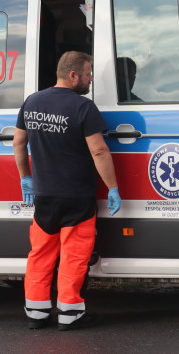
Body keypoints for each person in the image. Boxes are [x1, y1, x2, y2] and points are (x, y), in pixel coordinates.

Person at [14, 51, 121, 330]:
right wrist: (113, 187)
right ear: (73, 75)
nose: (90, 79)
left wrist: (26, 177)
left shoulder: (32, 102)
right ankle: (70, 314)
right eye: (88, 74)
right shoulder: (82, 107)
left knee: (40, 254)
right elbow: (99, 150)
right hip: (76, 196)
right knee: (73, 256)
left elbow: (18, 143)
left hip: (44, 195)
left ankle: (36, 314)